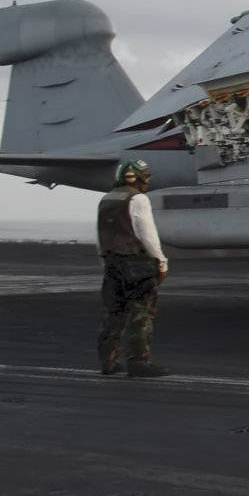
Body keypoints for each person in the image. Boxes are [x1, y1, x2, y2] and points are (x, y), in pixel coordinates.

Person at [97, 159, 171, 378]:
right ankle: (138, 362)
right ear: (136, 177)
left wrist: (104, 261)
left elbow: (100, 234)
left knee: (114, 313)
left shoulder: (107, 198)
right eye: (145, 177)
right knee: (141, 313)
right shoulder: (138, 198)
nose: (146, 181)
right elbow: (147, 234)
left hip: (111, 263)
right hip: (135, 265)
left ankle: (108, 362)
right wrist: (161, 261)